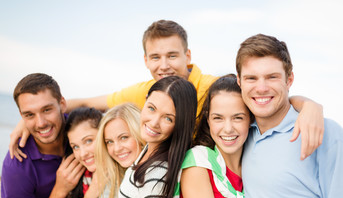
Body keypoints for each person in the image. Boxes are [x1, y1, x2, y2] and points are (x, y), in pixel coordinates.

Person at [10, 20, 324, 161]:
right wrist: (30, 119)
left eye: (172, 55)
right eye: (156, 57)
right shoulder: (148, 91)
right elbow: (86, 102)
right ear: (145, 60)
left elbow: (261, 96)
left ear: (188, 56)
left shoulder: (214, 87)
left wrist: (309, 106)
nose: (164, 65)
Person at [178, 75, 324, 198]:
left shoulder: (254, 160)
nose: (227, 129)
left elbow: (282, 103)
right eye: (218, 118)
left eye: (238, 118)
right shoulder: (198, 162)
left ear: (251, 119)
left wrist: (311, 107)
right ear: (208, 120)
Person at [236, 34, 343, 198]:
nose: (261, 88)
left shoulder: (325, 132)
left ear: (289, 79)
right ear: (239, 81)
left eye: (272, 77)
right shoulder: (241, 134)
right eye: (251, 78)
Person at [1, 73, 84, 198]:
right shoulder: (17, 165)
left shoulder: (83, 130)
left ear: (62, 103)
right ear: (21, 116)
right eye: (29, 115)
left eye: (47, 110)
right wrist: (60, 191)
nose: (41, 123)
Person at [117, 76, 197, 198]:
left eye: (168, 118)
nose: (154, 122)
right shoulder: (148, 150)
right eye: (151, 108)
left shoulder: (157, 175)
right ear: (145, 101)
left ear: (179, 125)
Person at [90, 103, 145, 198]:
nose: (116, 148)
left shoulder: (164, 173)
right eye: (109, 142)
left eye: (124, 137)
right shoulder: (110, 185)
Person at [61, 107, 103, 198]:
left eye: (89, 141)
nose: (82, 154)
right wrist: (94, 189)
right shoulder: (82, 177)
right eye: (76, 147)